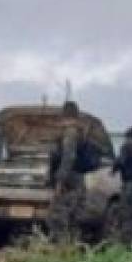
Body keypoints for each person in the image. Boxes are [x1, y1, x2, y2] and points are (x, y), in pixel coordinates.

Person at [48, 101, 88, 246]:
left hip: (68, 181)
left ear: (64, 114)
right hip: (77, 179)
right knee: (73, 218)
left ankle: (63, 251)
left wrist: (60, 181)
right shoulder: (81, 131)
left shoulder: (71, 132)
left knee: (57, 217)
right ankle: (71, 251)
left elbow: (68, 157)